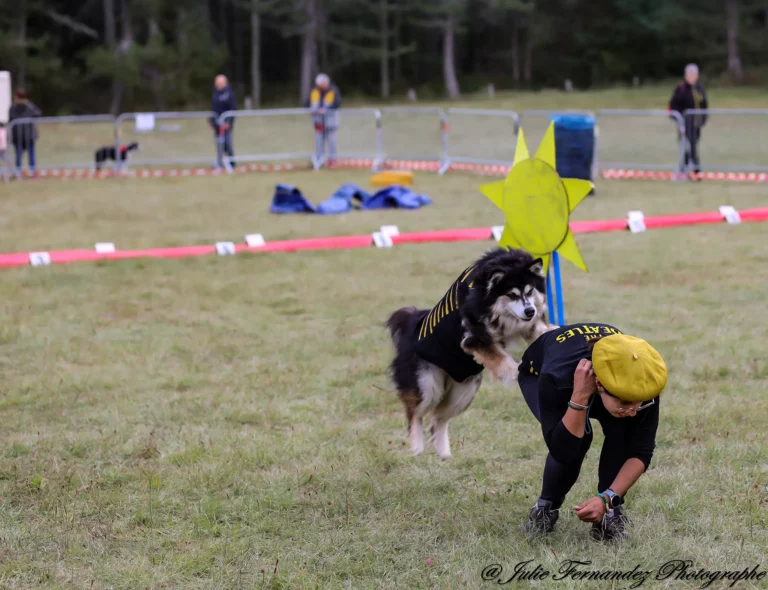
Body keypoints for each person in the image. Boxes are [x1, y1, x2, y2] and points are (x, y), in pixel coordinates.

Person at [517, 324, 668, 542]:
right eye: (626, 402)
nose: (634, 410)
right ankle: (545, 508)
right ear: (598, 383)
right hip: (541, 375)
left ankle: (610, 513)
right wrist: (579, 398)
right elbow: (561, 450)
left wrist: (608, 498)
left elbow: (641, 451)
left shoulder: (643, 378)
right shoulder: (558, 376)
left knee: (624, 432)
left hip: (600, 385)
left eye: (640, 403)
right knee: (576, 441)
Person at [668, 64, 708, 178]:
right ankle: (694, 170)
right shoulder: (680, 88)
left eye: (694, 74)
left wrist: (704, 119)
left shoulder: (699, 88)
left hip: (696, 123)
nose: (692, 77)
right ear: (686, 75)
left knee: (693, 145)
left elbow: (704, 104)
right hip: (684, 123)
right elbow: (673, 105)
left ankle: (688, 169)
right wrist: (677, 118)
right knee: (687, 147)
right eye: (689, 74)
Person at [306, 73, 341, 164]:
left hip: (331, 122)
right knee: (319, 140)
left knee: (332, 140)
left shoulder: (333, 91)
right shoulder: (314, 91)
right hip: (318, 122)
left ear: (326, 82)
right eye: (319, 85)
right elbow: (307, 102)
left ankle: (332, 159)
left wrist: (325, 110)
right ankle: (319, 159)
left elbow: (337, 103)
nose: (320, 86)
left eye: (322, 84)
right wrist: (312, 109)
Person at [8, 88, 42, 175]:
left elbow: (37, 113)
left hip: (29, 135)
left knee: (31, 155)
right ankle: (18, 173)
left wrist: (27, 104)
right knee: (18, 155)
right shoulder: (13, 107)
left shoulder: (29, 106)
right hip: (18, 136)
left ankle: (33, 172)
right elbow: (12, 117)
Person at [209, 75, 237, 169]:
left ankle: (232, 162)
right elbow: (214, 108)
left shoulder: (229, 93)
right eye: (217, 83)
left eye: (220, 83)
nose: (219, 85)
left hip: (226, 123)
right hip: (217, 124)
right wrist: (211, 120)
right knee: (219, 143)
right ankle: (220, 162)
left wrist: (228, 122)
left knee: (227, 143)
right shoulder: (215, 93)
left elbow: (232, 109)